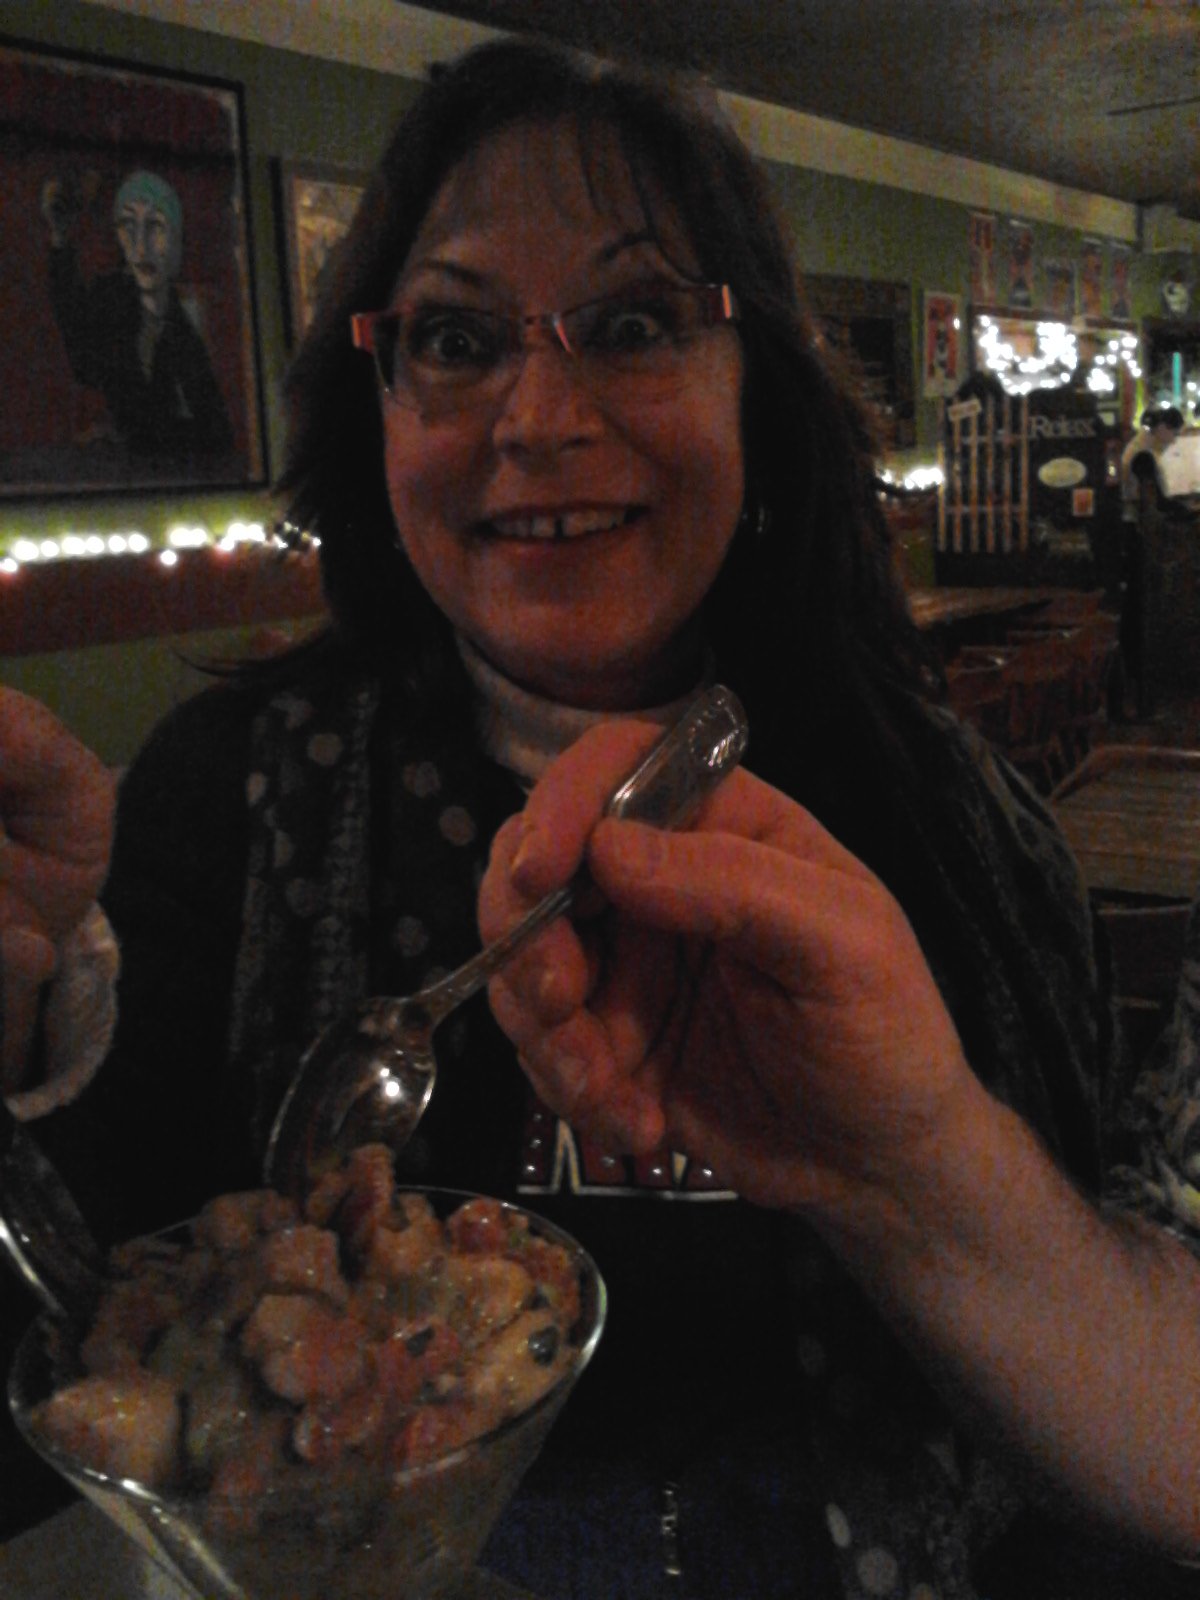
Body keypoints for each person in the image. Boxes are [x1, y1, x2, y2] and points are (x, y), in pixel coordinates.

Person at [3, 39, 1199, 1598]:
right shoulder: (217, 803)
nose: (540, 415)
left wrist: (917, 1178)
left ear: (757, 388)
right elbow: (71, 1383)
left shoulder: (961, 825)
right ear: (376, 406)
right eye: (455, 338)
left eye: (632, 325)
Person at [42, 167, 234, 465]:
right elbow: (80, 347)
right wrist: (60, 237)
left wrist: (136, 437)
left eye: (154, 226)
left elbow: (215, 432)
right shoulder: (114, 297)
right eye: (129, 226)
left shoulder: (181, 319)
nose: (140, 243)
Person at [1118, 404, 1184, 717]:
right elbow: (1157, 501)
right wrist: (1185, 512)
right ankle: (1139, 688)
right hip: (1136, 536)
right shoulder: (1143, 454)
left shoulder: (1141, 449)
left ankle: (1138, 684)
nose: (1174, 439)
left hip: (1135, 532)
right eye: (1174, 432)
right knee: (1140, 608)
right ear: (1161, 428)